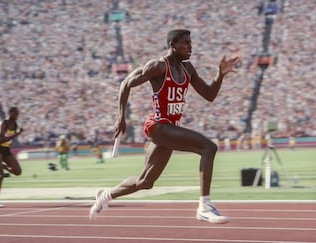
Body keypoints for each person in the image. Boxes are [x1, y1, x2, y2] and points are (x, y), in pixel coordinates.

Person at [89, 29, 240, 224]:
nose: (190, 47)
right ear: (173, 45)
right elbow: (126, 83)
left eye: (191, 43)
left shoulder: (188, 69)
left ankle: (106, 195)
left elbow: (209, 95)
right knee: (209, 147)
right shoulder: (158, 67)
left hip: (170, 128)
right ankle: (204, 206)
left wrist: (220, 74)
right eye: (186, 43)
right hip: (159, 126)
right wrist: (121, 117)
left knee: (146, 182)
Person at [0, 107, 23, 208]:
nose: (18, 115)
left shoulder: (15, 124)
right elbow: (0, 139)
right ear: (11, 113)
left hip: (6, 150)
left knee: (18, 172)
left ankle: (0, 165)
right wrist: (16, 135)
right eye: (17, 113)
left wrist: (16, 134)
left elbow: (9, 140)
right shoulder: (3, 123)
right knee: (1, 176)